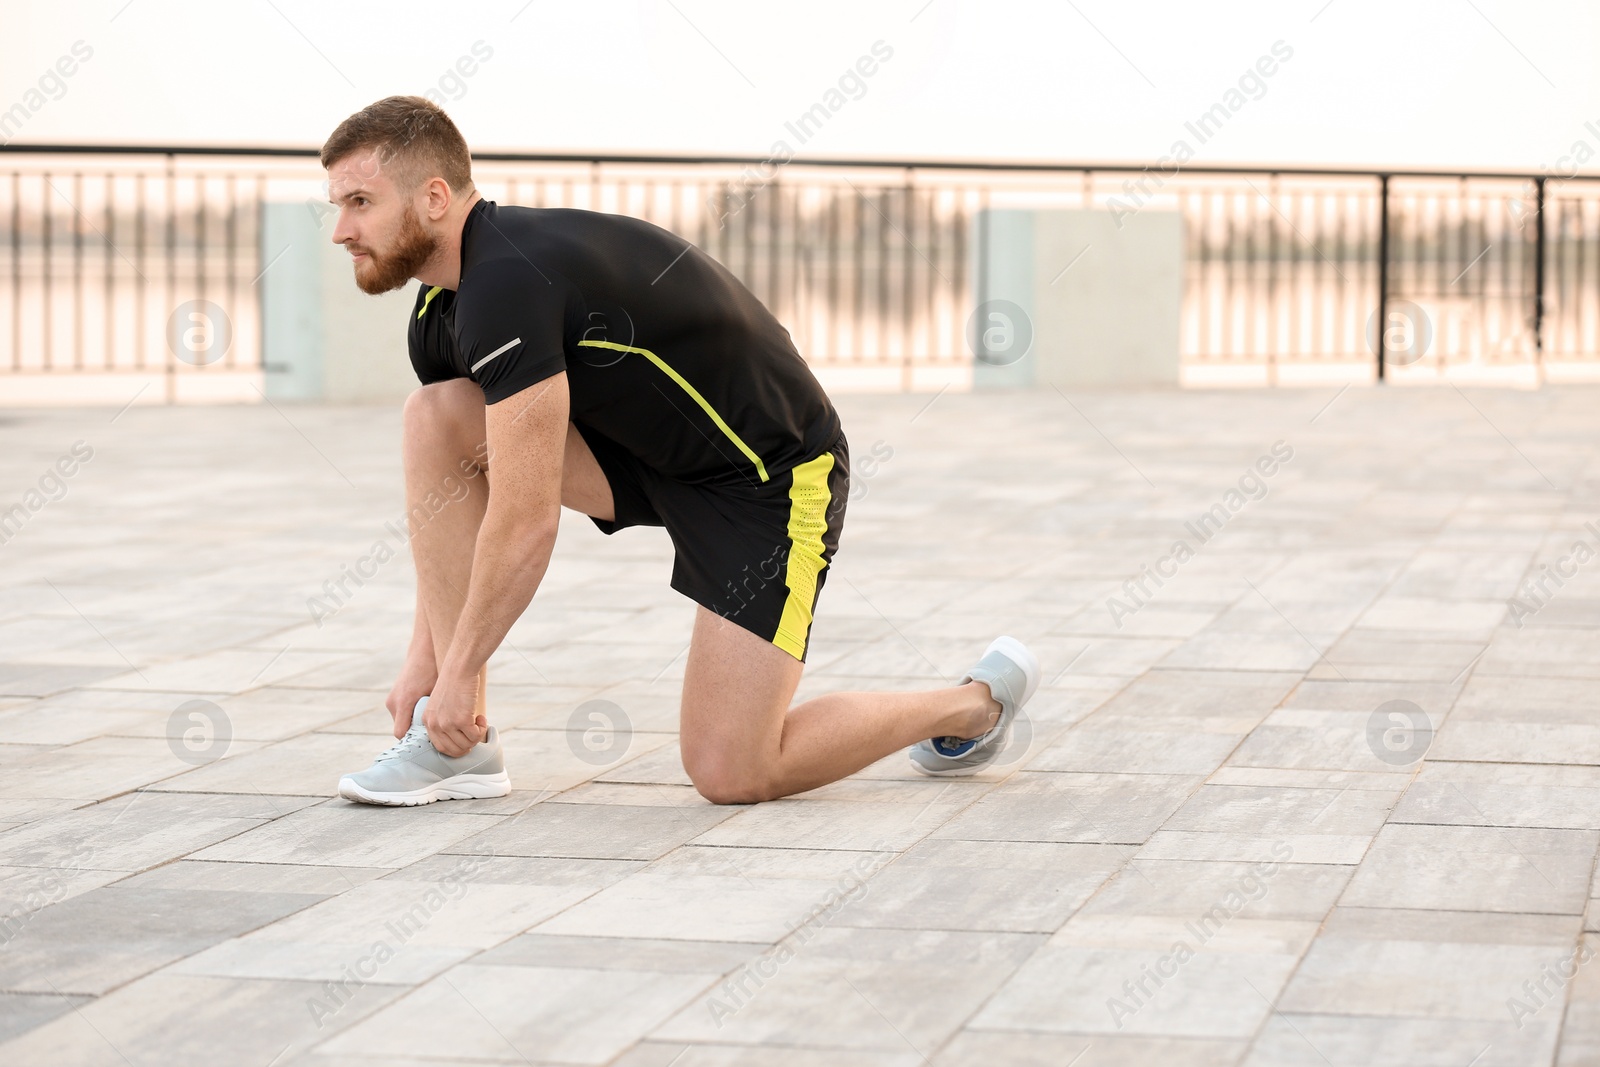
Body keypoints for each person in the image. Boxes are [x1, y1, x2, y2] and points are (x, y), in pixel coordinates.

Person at [323, 96, 1041, 807]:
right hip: (645, 454)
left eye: (360, 201)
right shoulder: (437, 309)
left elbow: (524, 518)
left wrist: (455, 672)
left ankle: (973, 705)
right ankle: (460, 749)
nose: (341, 229)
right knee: (438, 418)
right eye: (337, 204)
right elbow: (458, 501)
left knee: (733, 770)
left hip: (767, 474)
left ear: (436, 197)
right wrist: (429, 659)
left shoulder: (508, 282)